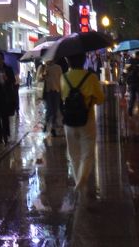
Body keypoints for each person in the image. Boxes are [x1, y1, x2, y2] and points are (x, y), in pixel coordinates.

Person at [61, 53, 105, 205]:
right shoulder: (91, 77)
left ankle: (78, 183)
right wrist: (90, 99)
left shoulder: (64, 77)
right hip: (87, 119)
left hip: (69, 122)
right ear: (84, 60)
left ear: (68, 61)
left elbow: (62, 97)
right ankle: (81, 179)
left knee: (74, 154)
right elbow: (100, 99)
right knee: (87, 153)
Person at [42, 60, 63, 136]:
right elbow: (40, 78)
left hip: (57, 91)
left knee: (55, 110)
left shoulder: (58, 67)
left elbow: (61, 79)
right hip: (48, 91)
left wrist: (62, 91)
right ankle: (46, 123)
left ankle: (53, 128)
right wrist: (43, 74)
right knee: (49, 109)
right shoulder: (45, 67)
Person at [125, 50, 139, 117]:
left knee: (132, 98)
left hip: (131, 82)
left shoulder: (129, 61)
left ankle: (130, 112)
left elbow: (125, 71)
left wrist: (126, 80)